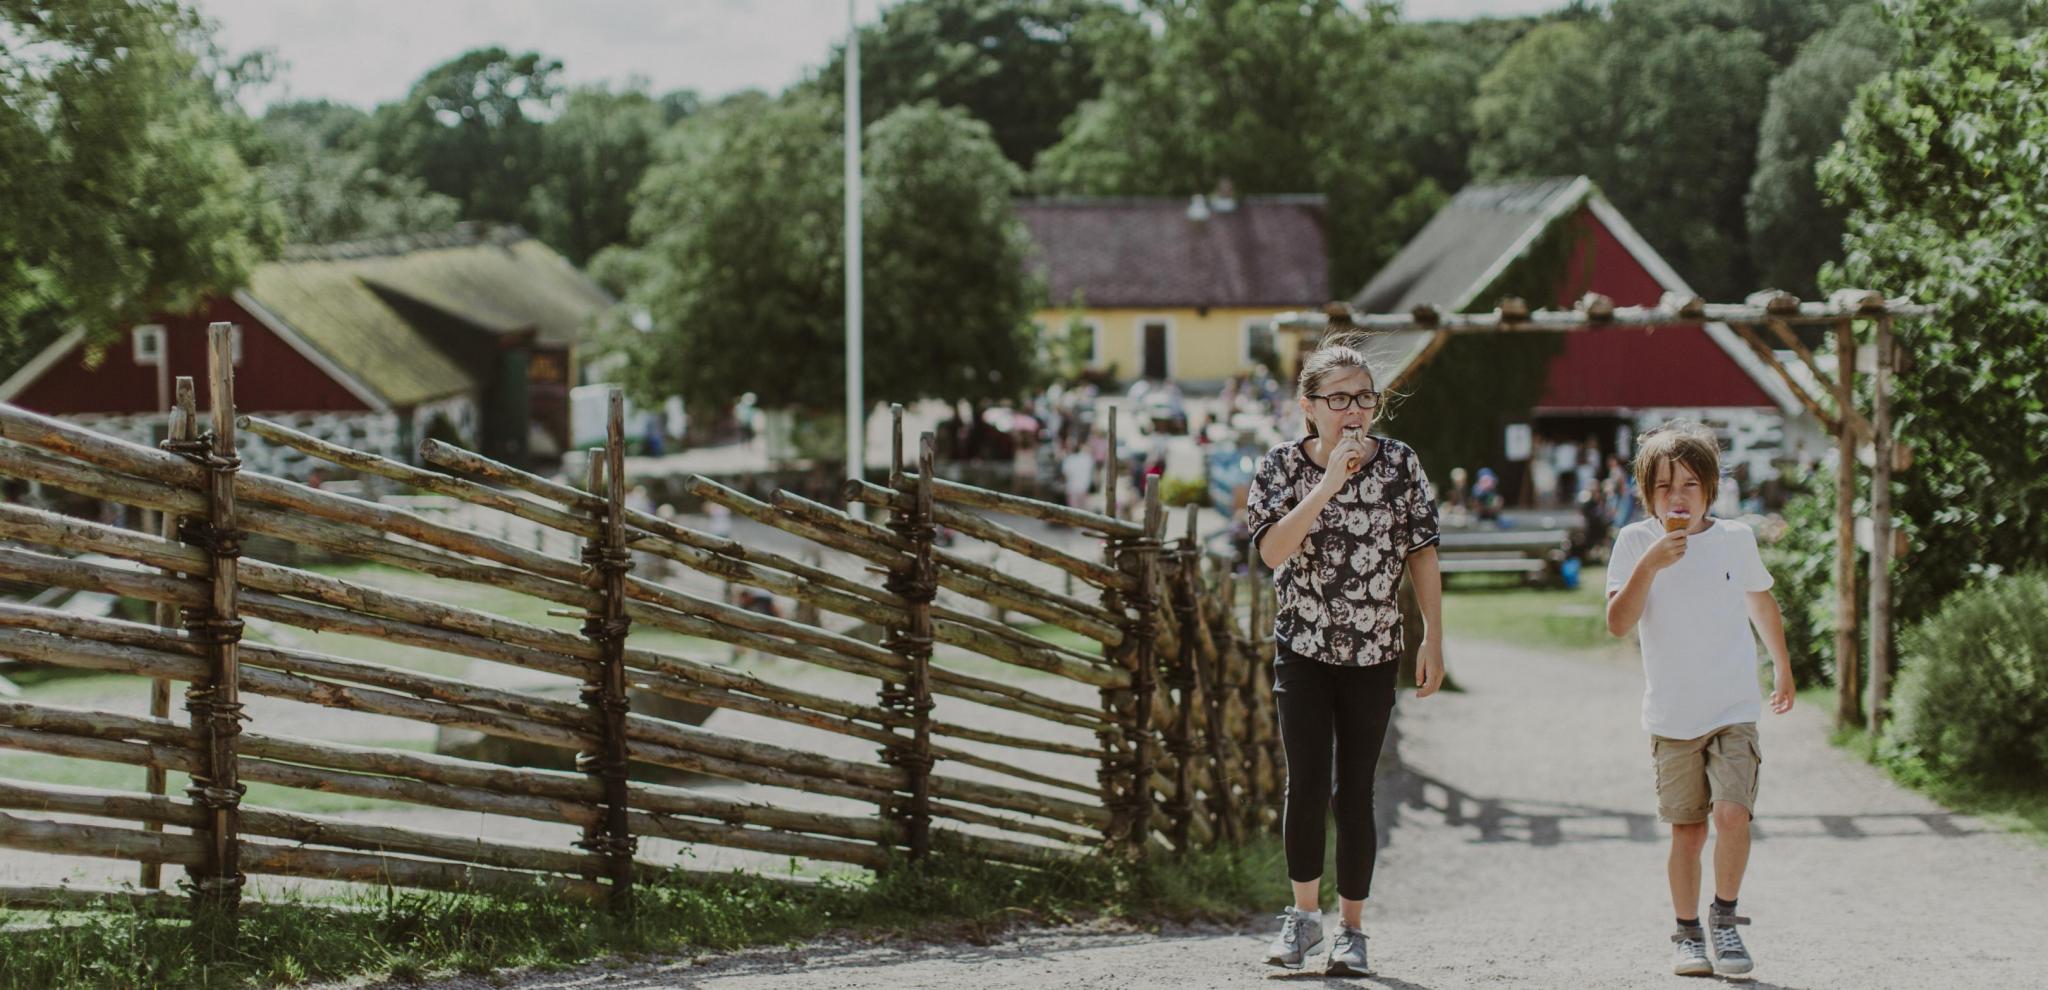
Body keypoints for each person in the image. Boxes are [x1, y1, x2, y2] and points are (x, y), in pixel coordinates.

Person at [1246, 343, 1446, 976]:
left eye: (1365, 397)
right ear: (1309, 406)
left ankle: (1352, 931)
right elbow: (1274, 552)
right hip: (1301, 648)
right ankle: (1303, 919)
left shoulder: (1401, 466)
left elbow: (1422, 553)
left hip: (1373, 649)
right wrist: (1330, 480)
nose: (1354, 411)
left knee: (1353, 791)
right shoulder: (1279, 468)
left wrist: (1433, 638)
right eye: (1339, 399)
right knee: (1305, 784)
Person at [1604, 421, 1794, 979]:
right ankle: (1687, 932)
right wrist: (1652, 563)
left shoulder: (1735, 538)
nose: (1677, 497)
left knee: (1733, 814)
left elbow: (1761, 604)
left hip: (1733, 705)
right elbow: (1618, 623)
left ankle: (1726, 919)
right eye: (1664, 487)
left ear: (1711, 487)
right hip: (1672, 715)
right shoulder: (1635, 543)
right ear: (1646, 494)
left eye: (1689, 484)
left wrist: (1781, 666)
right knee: (1688, 832)